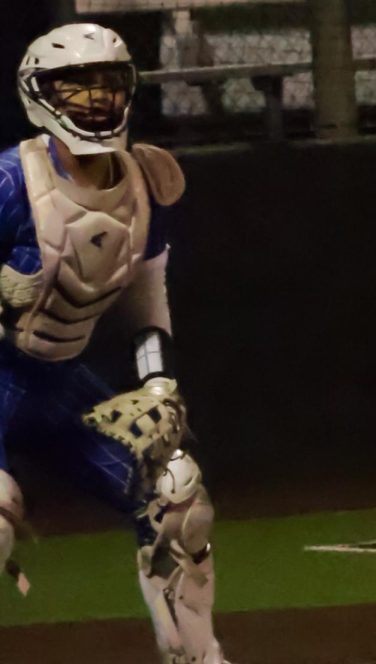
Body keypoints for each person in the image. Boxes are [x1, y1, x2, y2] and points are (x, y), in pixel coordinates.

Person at [0, 23, 228, 663]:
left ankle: (198, 656)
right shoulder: (10, 184)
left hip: (61, 381)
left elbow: (147, 303)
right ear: (41, 94)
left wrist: (157, 385)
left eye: (107, 83)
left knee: (175, 495)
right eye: (76, 85)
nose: (95, 99)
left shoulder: (146, 185)